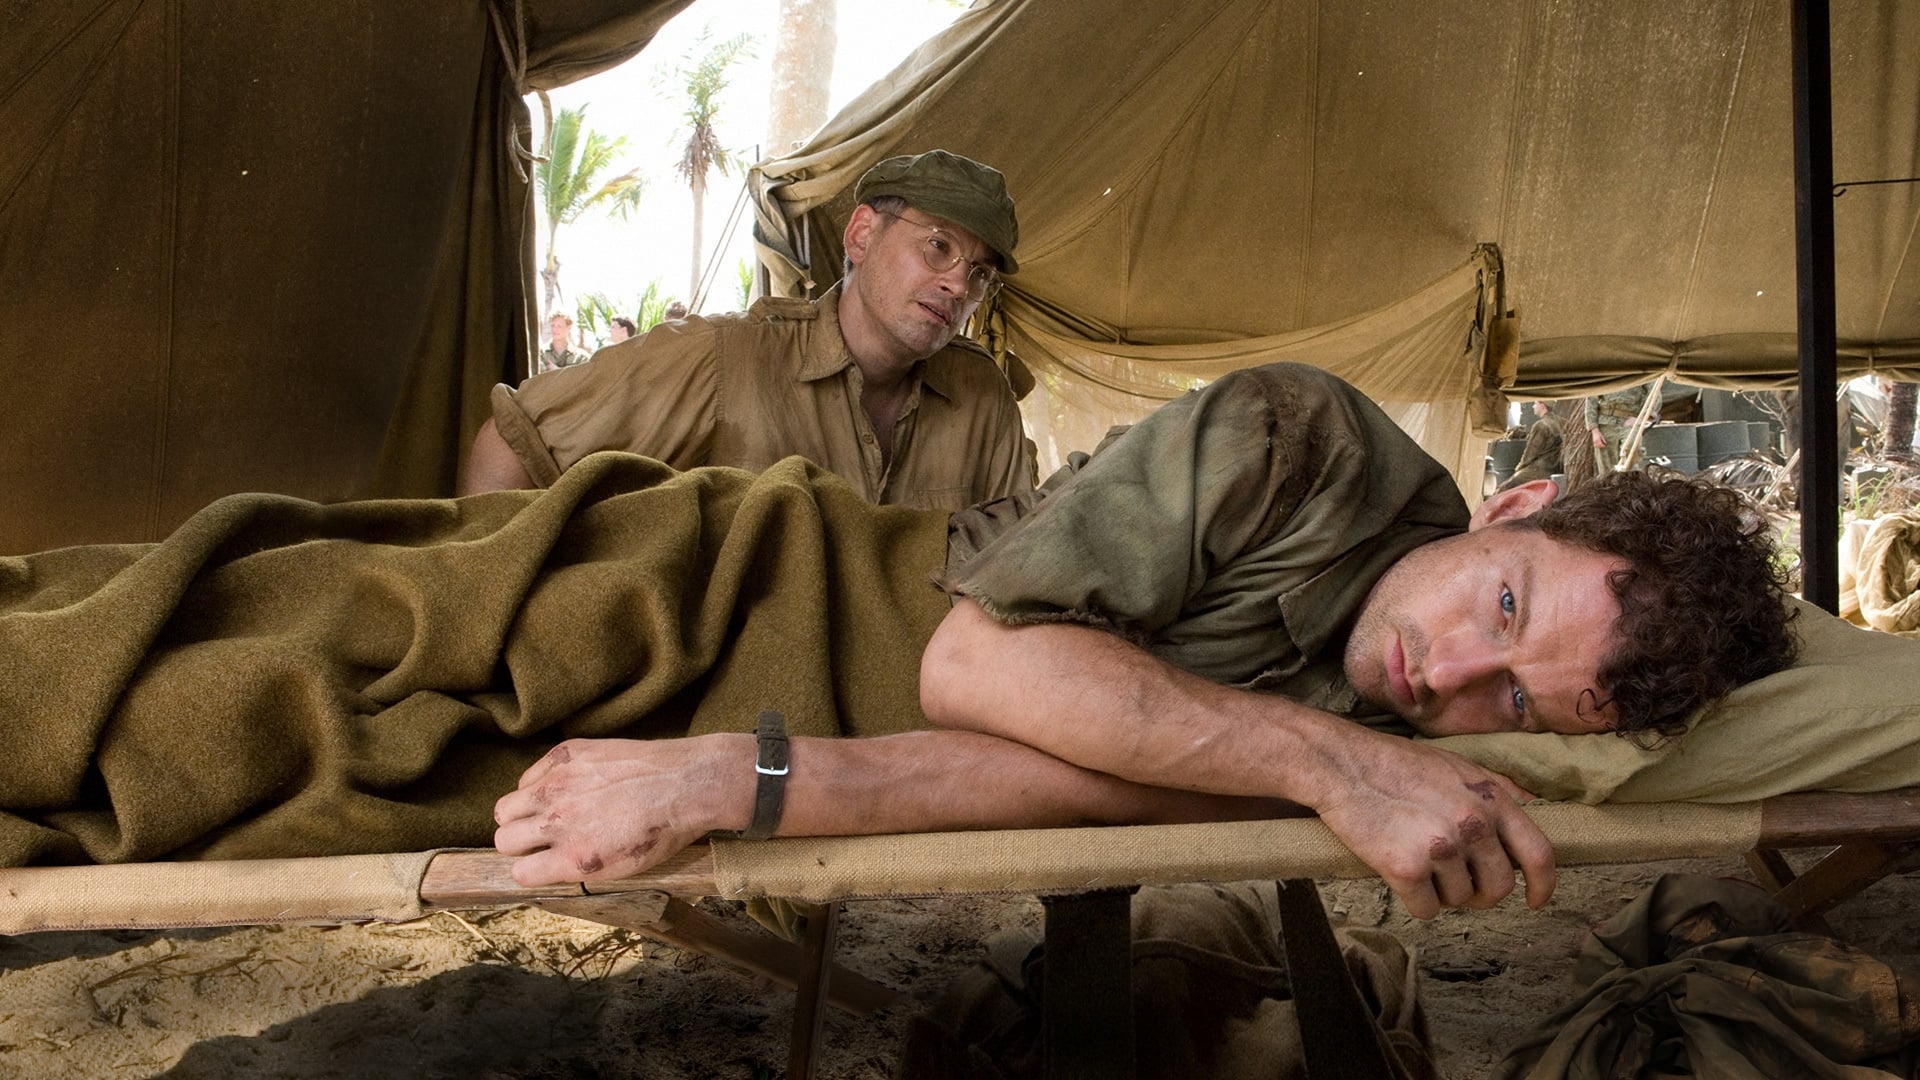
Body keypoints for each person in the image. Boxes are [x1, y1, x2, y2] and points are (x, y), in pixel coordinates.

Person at [0, 364, 1797, 921]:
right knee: (172, 646)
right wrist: (1341, 766)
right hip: (717, 585)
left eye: (1509, 699)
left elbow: (1072, 787)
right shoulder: (1306, 444)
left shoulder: (1406, 744)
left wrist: (738, 779)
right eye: (1500, 608)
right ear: (1509, 506)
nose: (1448, 678)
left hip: (754, 747)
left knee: (234, 781)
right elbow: (984, 669)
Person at [459, 150, 1036, 511]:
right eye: (937, 246)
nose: (957, 285)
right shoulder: (727, 357)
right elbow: (514, 441)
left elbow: (1011, 567)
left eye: (979, 274)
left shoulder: (982, 396)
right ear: (862, 234)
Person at [1498, 400, 1565, 492]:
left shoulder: (1540, 425)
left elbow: (1530, 453)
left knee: (1507, 486)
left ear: (1543, 406)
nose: (1533, 406)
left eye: (1535, 404)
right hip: (1557, 468)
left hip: (1541, 470)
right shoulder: (1562, 422)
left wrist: (1519, 469)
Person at [1584, 385, 1649, 475]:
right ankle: (1609, 483)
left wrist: (1641, 418)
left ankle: (1630, 479)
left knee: (1632, 449)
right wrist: (1594, 430)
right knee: (1607, 468)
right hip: (1606, 422)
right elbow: (1591, 398)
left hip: (1630, 420)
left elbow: (1654, 393)